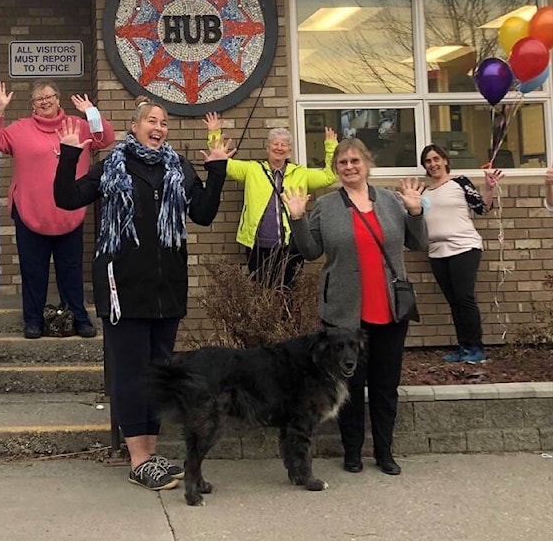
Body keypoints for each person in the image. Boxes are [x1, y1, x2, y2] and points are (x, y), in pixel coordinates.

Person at [54, 96, 233, 491]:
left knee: (158, 373)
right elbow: (66, 198)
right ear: (134, 127)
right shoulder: (113, 167)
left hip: (166, 287)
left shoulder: (177, 168)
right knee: (132, 372)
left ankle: (150, 451)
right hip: (124, 287)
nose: (159, 127)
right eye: (152, 121)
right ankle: (139, 458)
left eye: (164, 123)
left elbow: (202, 213)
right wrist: (68, 156)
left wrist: (216, 170)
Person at [283, 138, 426, 477]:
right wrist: (298, 218)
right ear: (336, 169)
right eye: (342, 163)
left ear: (367, 163)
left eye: (354, 161)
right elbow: (309, 251)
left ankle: (385, 451)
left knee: (384, 385)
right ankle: (352, 453)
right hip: (345, 315)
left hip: (389, 309)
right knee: (349, 387)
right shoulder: (328, 206)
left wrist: (416, 211)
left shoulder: (392, 201)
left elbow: (418, 243)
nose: (349, 167)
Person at [0, 80, 115, 339]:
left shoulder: (78, 126)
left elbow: (105, 138)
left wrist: (92, 112)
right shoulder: (20, 129)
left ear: (59, 98)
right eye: (38, 99)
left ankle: (78, 317)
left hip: (69, 213)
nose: (44, 102)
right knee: (33, 270)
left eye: (49, 97)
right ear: (32, 104)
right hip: (29, 211)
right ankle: (33, 320)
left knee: (71, 269)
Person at [204, 113, 337, 289]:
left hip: (290, 247)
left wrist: (331, 147)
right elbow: (219, 160)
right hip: (257, 247)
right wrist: (214, 133)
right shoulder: (252, 169)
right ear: (267, 148)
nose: (279, 148)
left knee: (288, 294)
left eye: (284, 145)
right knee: (261, 293)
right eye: (275, 143)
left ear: (289, 150)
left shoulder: (301, 173)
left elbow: (330, 176)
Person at [420, 144, 502, 364]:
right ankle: (463, 346)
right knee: (454, 301)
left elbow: (481, 209)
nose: (433, 164)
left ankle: (476, 347)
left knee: (464, 298)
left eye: (436, 158)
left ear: (445, 160)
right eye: (428, 161)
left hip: (464, 248)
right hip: (437, 252)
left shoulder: (460, 183)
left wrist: (489, 188)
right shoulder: (424, 192)